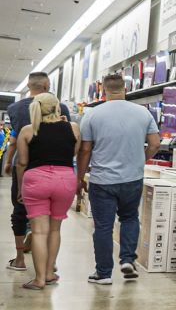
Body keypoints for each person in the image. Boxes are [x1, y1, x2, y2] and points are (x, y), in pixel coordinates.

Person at [77, 74, 160, 285]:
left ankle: (104, 273)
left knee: (103, 227)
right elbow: (155, 144)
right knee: (130, 218)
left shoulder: (93, 115)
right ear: (125, 88)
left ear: (104, 90)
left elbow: (85, 149)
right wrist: (141, 160)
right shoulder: (143, 113)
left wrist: (79, 177)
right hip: (133, 178)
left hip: (102, 180)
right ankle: (128, 260)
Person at [5, 72, 71, 272]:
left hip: (26, 168)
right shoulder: (61, 107)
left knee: (19, 211)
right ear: (46, 85)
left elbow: (15, 140)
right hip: (54, 165)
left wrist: (9, 161)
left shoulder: (14, 108)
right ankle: (49, 263)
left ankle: (19, 259)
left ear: (28, 85)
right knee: (51, 219)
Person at [14, 94, 80, 290]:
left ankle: (39, 279)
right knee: (55, 229)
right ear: (58, 108)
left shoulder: (28, 130)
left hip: (36, 180)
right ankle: (50, 273)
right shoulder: (73, 128)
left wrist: (20, 188)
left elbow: (22, 162)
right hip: (65, 179)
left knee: (39, 231)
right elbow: (73, 152)